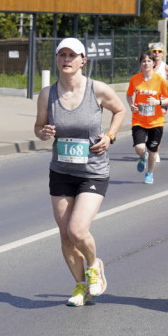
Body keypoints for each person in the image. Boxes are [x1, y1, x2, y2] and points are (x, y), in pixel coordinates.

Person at [34, 37, 126, 306]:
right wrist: (44, 132)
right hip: (61, 171)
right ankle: (80, 287)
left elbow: (120, 110)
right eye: (62, 55)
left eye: (72, 56)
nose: (66, 60)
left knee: (77, 230)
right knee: (65, 236)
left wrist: (109, 136)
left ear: (83, 60)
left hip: (93, 171)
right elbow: (39, 127)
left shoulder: (97, 90)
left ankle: (94, 264)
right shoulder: (47, 94)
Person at [127, 51, 168, 184]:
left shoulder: (160, 80)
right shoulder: (135, 79)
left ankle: (149, 173)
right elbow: (129, 95)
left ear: (153, 63)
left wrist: (157, 102)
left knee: (153, 151)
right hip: (139, 119)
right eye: (144, 61)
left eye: (149, 61)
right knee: (139, 148)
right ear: (140, 64)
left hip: (156, 121)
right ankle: (142, 156)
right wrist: (131, 105)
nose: (146, 63)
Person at [148, 43, 168, 162]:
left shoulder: (166, 68)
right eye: (154, 51)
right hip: (147, 101)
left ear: (163, 53)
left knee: (157, 125)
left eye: (159, 51)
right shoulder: (147, 65)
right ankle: (150, 148)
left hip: (161, 101)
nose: (157, 53)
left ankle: (155, 151)